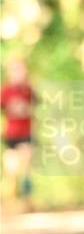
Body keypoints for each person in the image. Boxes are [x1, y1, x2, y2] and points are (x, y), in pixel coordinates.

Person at [1, 57, 36, 209]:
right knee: (11, 169)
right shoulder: (6, 91)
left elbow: (39, 106)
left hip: (26, 133)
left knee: (27, 163)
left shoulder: (29, 89)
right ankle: (10, 198)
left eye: (21, 69)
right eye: (15, 70)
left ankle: (26, 199)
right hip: (10, 134)